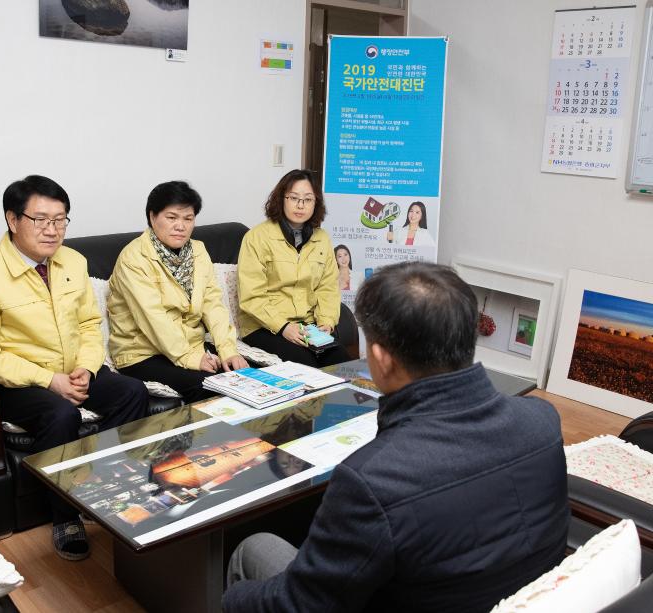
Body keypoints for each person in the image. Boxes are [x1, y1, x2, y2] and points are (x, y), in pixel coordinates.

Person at [223, 261, 569, 612]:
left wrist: (228, 601)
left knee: (251, 549)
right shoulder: (542, 421)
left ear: (380, 359)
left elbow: (298, 606)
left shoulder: (371, 482)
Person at [0, 175, 148, 561]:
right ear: (12, 219)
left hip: (76, 368)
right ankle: (65, 515)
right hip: (21, 380)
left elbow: (90, 324)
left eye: (60, 220)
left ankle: (100, 488)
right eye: (40, 220)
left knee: (133, 392)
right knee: (60, 413)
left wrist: (88, 369)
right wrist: (48, 380)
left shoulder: (73, 261)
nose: (52, 230)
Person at [108, 180, 248, 404]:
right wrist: (191, 357)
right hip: (142, 353)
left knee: (242, 380)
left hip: (190, 345)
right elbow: (153, 318)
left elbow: (213, 303)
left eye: (188, 219)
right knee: (210, 388)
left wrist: (228, 349)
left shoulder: (198, 250)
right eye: (171, 217)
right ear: (153, 217)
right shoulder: (133, 258)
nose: (180, 226)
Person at [237, 169, 358, 367]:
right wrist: (283, 327)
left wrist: (326, 321)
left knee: (342, 364)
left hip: (307, 326)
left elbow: (327, 287)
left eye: (308, 199)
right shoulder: (257, 237)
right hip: (264, 326)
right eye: (294, 198)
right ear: (281, 199)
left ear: (315, 203)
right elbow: (252, 297)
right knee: (308, 365)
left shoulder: (322, 238)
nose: (300, 205)